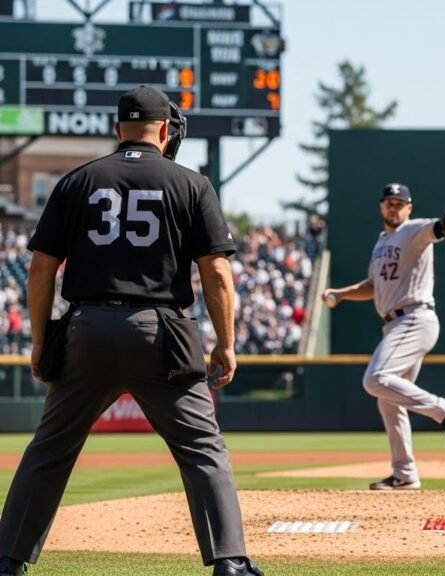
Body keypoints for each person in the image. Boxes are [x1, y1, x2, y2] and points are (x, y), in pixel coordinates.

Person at [0, 86, 262, 576]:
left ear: (117, 129)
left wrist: (39, 340)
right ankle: (229, 561)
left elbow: (40, 268)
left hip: (86, 329)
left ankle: (6, 558)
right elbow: (216, 271)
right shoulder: (191, 183)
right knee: (202, 449)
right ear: (164, 129)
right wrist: (226, 343)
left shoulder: (78, 180)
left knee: (49, 449)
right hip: (161, 333)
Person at [322, 183, 445, 491]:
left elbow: (437, 229)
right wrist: (342, 294)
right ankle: (405, 473)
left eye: (400, 203)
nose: (394, 207)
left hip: (414, 318)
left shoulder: (413, 230)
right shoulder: (381, 242)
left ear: (409, 208)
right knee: (389, 400)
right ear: (381, 206)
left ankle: (444, 409)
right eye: (389, 202)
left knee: (375, 379)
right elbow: (373, 286)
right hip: (395, 324)